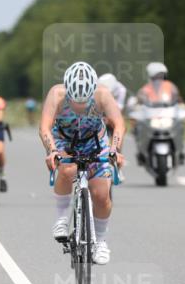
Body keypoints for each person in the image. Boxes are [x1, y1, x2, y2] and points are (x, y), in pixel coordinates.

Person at [39, 61, 125, 265]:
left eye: (84, 102)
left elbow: (118, 124)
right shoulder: (56, 94)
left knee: (101, 195)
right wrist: (52, 151)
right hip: (64, 140)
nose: (79, 107)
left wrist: (115, 150)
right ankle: (61, 219)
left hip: (95, 140)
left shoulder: (103, 94)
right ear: (67, 92)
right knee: (68, 170)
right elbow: (44, 126)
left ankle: (101, 242)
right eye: (75, 102)